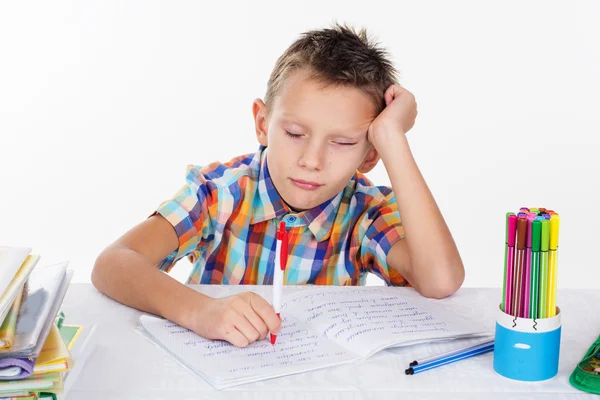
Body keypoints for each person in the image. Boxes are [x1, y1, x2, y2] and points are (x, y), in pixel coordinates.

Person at [92, 24, 465, 348]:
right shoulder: (220, 193)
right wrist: (201, 310)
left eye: (344, 142)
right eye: (295, 132)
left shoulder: (364, 213)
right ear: (262, 123)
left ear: (370, 155)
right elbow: (113, 263)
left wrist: (392, 137)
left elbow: (440, 280)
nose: (312, 160)